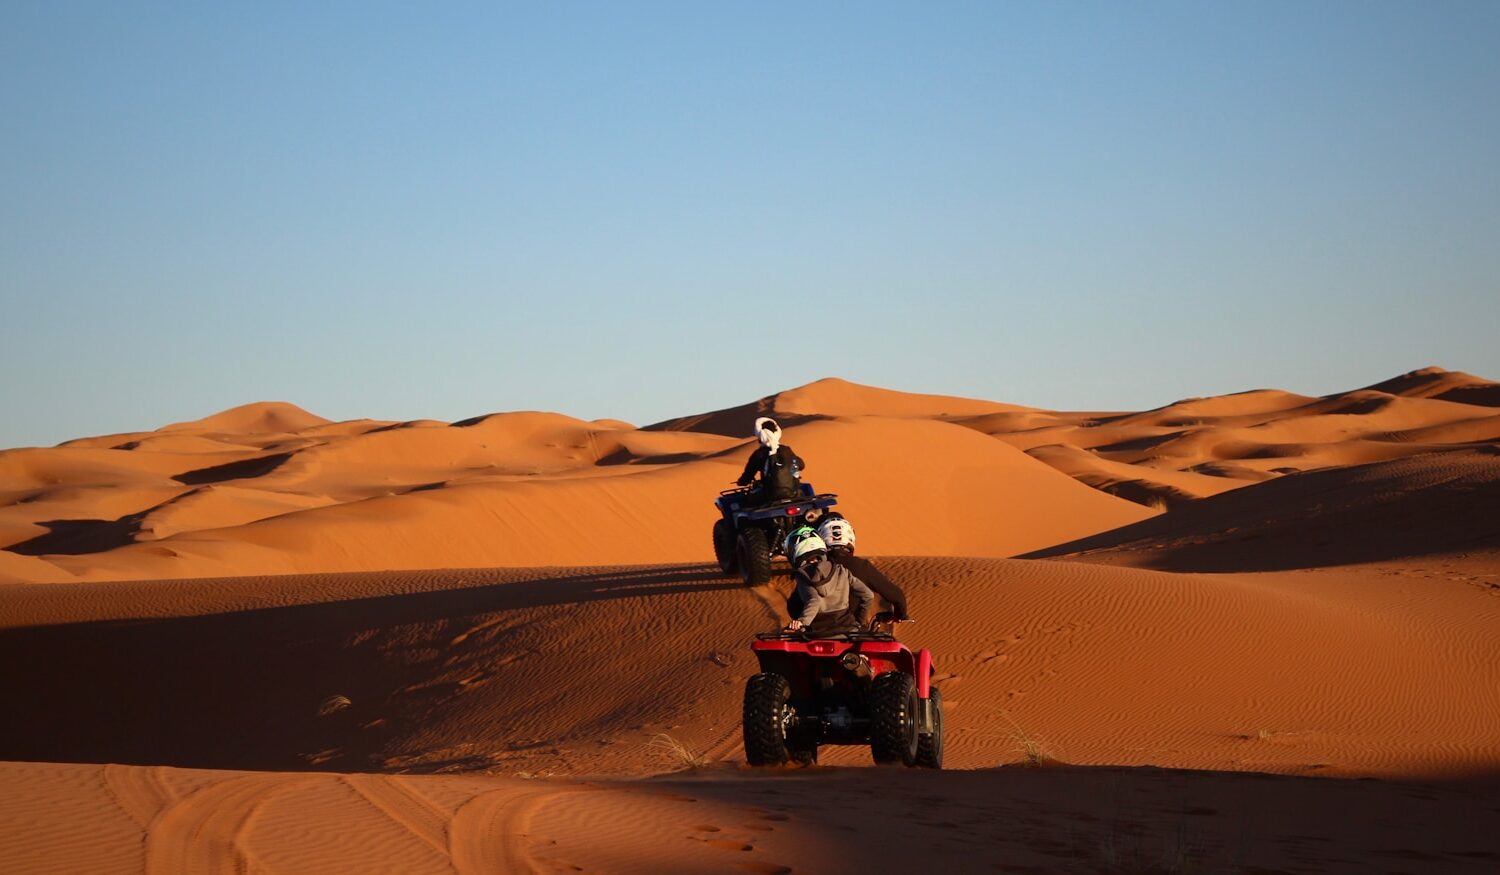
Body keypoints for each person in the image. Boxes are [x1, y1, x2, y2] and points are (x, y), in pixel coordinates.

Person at [817, 515, 910, 622]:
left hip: (817, 632)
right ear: (851, 539)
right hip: (855, 631)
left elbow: (794, 607)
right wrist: (899, 615)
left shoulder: (815, 568)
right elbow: (898, 597)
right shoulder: (862, 566)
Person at [783, 533, 874, 634]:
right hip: (848, 629)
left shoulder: (802, 575)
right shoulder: (841, 570)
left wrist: (802, 622)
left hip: (816, 633)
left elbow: (814, 600)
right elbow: (868, 595)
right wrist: (859, 622)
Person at [736, 417, 804, 506]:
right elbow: (802, 465)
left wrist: (741, 482)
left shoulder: (759, 454)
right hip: (793, 494)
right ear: (777, 433)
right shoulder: (787, 450)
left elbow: (748, 474)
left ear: (760, 436)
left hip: (768, 496)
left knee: (743, 503)